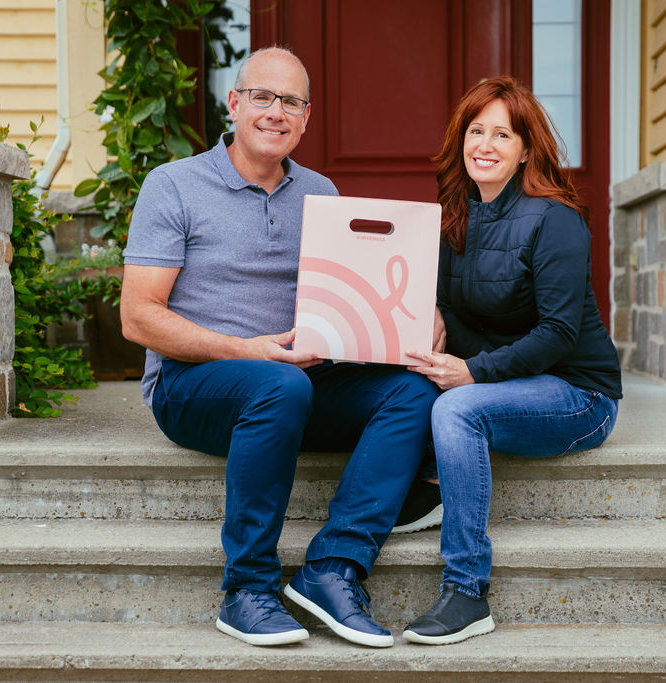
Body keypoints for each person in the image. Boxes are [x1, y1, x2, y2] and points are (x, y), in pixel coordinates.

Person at [121, 46, 438, 648]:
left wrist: (423, 313)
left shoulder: (321, 191)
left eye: (291, 101)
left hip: (296, 381)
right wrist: (249, 351)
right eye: (263, 97)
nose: (276, 111)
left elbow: (358, 290)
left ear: (307, 116)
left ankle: (333, 568)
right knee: (280, 383)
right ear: (235, 104)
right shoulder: (175, 186)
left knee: (411, 390)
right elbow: (138, 319)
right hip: (195, 386)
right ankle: (247, 590)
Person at [402, 76, 623, 645]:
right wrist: (437, 320)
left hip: (578, 394)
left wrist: (472, 373)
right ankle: (425, 484)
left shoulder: (556, 220)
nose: (486, 144)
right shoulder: (456, 212)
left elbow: (558, 333)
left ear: (527, 148)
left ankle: (467, 592)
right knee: (401, 380)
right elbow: (453, 300)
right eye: (477, 130)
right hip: (510, 382)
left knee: (457, 411)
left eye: (503, 133)